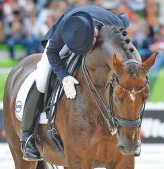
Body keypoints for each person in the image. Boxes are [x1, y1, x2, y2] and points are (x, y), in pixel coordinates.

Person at [19, 5, 142, 161]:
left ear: (94, 33)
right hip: (65, 40)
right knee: (42, 80)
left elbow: (125, 17)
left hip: (99, 31)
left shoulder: (113, 22)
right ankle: (27, 136)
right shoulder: (64, 29)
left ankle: (131, 133)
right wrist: (64, 76)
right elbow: (52, 53)